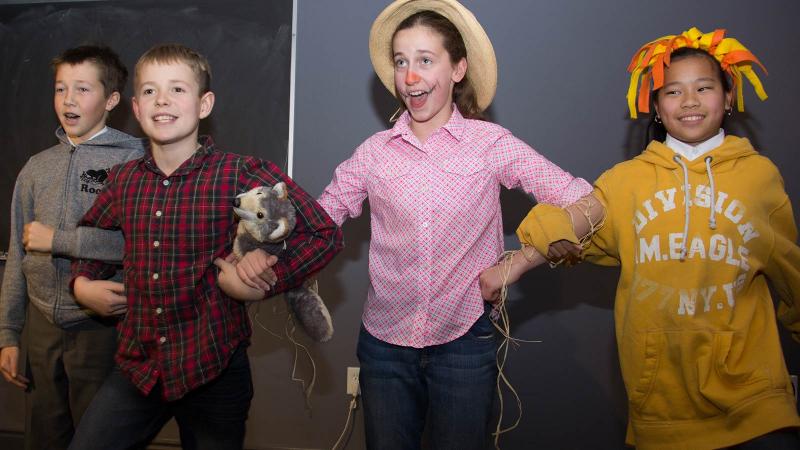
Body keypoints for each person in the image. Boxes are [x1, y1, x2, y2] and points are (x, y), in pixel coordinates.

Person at [312, 1, 599, 448]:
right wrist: (260, 244)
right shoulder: (373, 152)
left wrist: (515, 266)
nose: (410, 77)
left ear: (458, 69)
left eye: (426, 61)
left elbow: (588, 202)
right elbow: (320, 221)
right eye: (401, 62)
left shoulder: (490, 144)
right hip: (384, 346)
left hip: (464, 342)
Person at [517, 27, 800, 449]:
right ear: (655, 105)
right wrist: (546, 237)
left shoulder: (759, 177)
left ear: (727, 97)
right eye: (672, 92)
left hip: (754, 404)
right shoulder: (627, 182)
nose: (689, 101)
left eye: (703, 87)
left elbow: (791, 271)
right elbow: (575, 222)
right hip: (662, 408)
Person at [66, 43, 343, 450]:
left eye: (177, 89)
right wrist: (81, 284)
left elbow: (324, 234)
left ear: (204, 103)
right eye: (149, 91)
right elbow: (91, 237)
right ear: (136, 109)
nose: (162, 100)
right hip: (138, 367)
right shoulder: (123, 181)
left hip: (212, 367)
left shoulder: (241, 173)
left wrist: (268, 275)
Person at [0, 45, 144, 449]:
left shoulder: (133, 161)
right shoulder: (36, 167)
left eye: (82, 89)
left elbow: (138, 244)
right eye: (61, 89)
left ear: (112, 99)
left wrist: (58, 240)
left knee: (99, 437)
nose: (68, 100)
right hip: (43, 325)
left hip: (101, 326)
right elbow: (18, 251)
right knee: (45, 435)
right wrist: (9, 334)